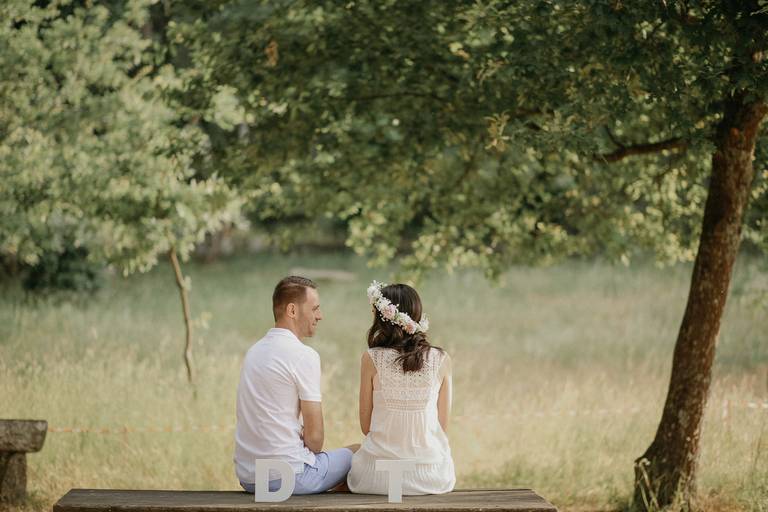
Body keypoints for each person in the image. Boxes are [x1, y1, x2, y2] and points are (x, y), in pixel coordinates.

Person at [234, 276, 358, 495]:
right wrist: (304, 434)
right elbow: (316, 441)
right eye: (315, 309)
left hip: (250, 478)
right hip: (291, 477)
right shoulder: (304, 355)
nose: (320, 316)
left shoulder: (254, 352)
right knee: (358, 452)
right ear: (292, 310)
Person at [347, 281, 456, 495]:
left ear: (383, 318)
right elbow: (442, 427)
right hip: (431, 476)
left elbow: (366, 425)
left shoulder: (371, 358)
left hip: (377, 477)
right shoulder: (441, 359)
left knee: (350, 458)